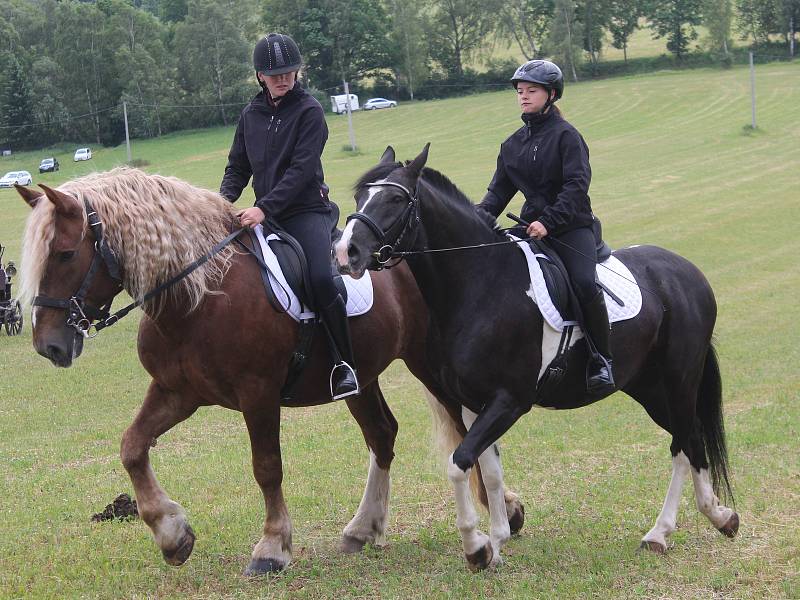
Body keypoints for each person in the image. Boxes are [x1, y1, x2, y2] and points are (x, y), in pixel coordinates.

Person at [220, 32, 359, 400]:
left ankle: (345, 364)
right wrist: (217, 204)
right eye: (274, 73)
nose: (283, 78)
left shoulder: (310, 111)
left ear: (298, 72)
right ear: (260, 76)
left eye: (289, 72)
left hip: (306, 212)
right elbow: (237, 168)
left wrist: (263, 208)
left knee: (320, 278)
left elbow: (300, 173)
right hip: (263, 215)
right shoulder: (250, 114)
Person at [477, 59, 615, 397]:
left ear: (551, 94)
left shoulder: (567, 136)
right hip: (529, 228)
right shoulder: (511, 145)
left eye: (531, 91)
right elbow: (497, 194)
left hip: (571, 228)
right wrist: (475, 219)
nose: (523, 97)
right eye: (520, 91)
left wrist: (548, 221)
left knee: (584, 283)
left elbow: (576, 185)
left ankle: (602, 359)